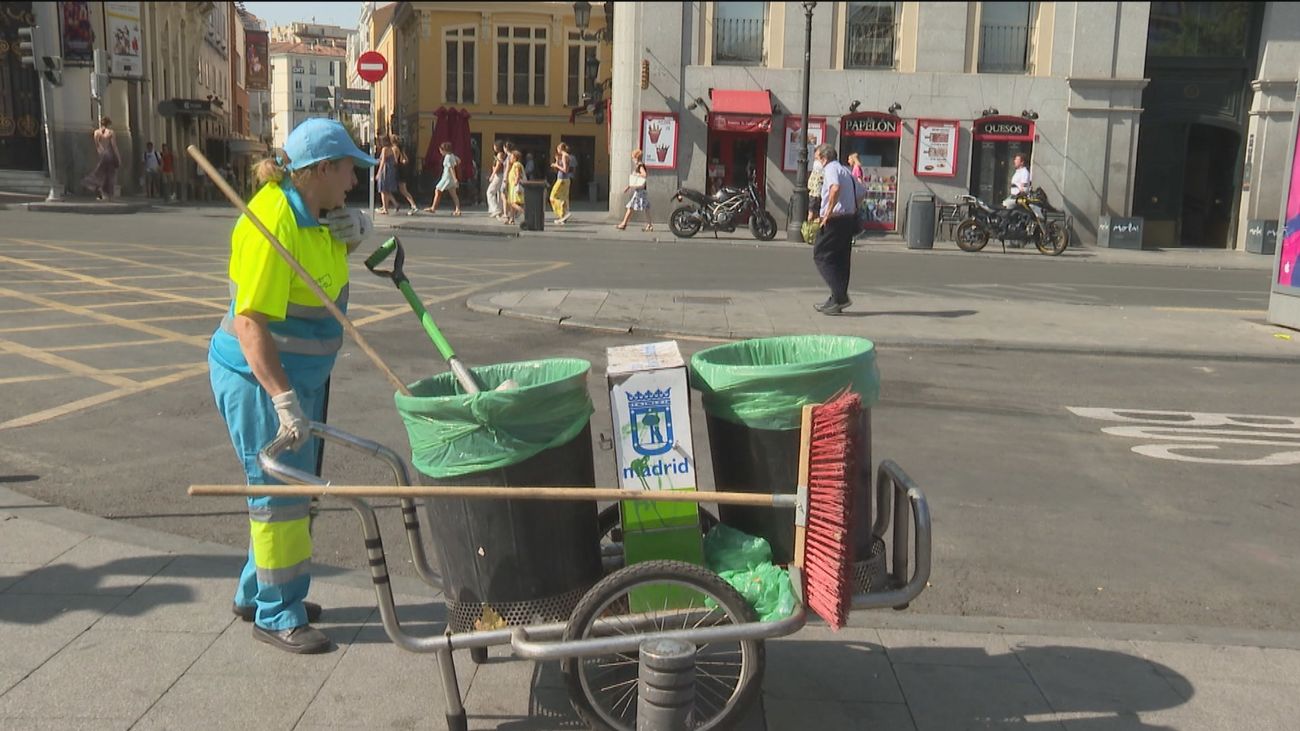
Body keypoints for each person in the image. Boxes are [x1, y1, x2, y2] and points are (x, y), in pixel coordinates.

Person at [208, 117, 375, 655]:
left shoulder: (319, 215)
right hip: (260, 380)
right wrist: (282, 400)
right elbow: (252, 323)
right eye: (349, 169)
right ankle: (279, 613)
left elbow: (319, 280)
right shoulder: (271, 222)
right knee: (279, 497)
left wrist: (356, 235)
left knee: (292, 492)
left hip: (303, 378)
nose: (355, 180)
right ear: (321, 169)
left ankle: (254, 593)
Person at [811, 143, 860, 316]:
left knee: (821, 256)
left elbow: (835, 188)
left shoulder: (831, 169)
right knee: (840, 259)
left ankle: (840, 295)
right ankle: (835, 301)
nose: (816, 162)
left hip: (834, 220)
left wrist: (827, 214)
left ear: (824, 158)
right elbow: (861, 191)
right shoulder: (845, 170)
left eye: (817, 158)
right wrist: (852, 208)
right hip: (847, 220)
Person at [82, 117, 120, 200]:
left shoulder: (96, 132)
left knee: (100, 174)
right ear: (109, 124)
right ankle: (108, 195)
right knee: (110, 175)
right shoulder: (111, 132)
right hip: (110, 156)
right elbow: (114, 146)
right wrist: (118, 156)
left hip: (102, 156)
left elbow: (97, 146)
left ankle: (99, 190)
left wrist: (101, 154)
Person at [617, 149, 652, 231]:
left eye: (633, 157)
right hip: (642, 190)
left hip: (640, 191)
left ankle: (623, 224)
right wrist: (628, 187)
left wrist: (637, 174)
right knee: (646, 208)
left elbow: (644, 175)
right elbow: (635, 180)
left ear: (636, 157)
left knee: (630, 207)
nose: (632, 159)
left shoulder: (640, 166)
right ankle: (649, 225)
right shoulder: (640, 165)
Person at [425, 141, 461, 215]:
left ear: (445, 150)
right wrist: (454, 178)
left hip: (447, 177)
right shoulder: (452, 156)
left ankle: (433, 208)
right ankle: (458, 209)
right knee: (453, 194)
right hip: (450, 178)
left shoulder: (447, 157)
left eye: (441, 150)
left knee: (437, 190)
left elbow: (451, 168)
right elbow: (459, 161)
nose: (440, 152)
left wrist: (455, 178)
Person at [390, 135, 420, 215]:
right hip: (403, 170)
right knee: (402, 189)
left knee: (391, 189)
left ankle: (413, 205)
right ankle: (393, 204)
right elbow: (406, 160)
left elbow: (395, 161)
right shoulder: (401, 149)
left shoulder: (394, 149)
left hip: (398, 171)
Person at [549, 142, 574, 225]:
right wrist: (557, 162)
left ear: (560, 149)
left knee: (552, 197)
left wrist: (556, 165)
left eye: (557, 149)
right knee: (562, 197)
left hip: (562, 179)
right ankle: (562, 217)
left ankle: (562, 213)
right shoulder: (567, 156)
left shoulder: (564, 156)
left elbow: (565, 169)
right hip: (566, 180)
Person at [375, 135, 399, 214]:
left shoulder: (384, 149)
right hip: (390, 170)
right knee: (387, 190)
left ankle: (385, 209)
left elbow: (383, 161)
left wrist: (379, 172)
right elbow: (394, 161)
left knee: (383, 189)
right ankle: (394, 204)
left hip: (385, 170)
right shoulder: (391, 149)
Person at [504, 149, 524, 225]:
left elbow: (518, 174)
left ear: (515, 158)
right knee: (511, 204)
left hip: (515, 187)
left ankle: (525, 213)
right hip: (512, 187)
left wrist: (516, 181)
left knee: (513, 203)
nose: (510, 159)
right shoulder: (514, 165)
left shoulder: (516, 164)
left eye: (511, 157)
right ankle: (511, 219)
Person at [486, 141, 505, 219]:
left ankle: (495, 209)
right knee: (499, 193)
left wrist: (492, 175)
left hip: (498, 175)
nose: (493, 147)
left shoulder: (499, 154)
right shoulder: (502, 154)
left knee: (490, 192)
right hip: (501, 175)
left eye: (494, 146)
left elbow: (498, 165)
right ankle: (499, 210)